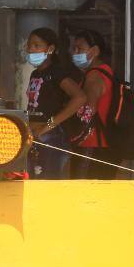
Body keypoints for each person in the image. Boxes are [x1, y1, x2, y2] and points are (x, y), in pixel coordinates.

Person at [25, 28, 87, 179]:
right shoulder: (35, 73)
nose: (31, 49)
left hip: (52, 138)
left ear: (50, 49)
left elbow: (80, 97)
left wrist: (50, 125)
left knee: (49, 186)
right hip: (34, 136)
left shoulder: (57, 73)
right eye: (29, 45)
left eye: (36, 45)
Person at [69, 28, 119, 179]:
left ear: (95, 50)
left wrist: (72, 135)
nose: (74, 53)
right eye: (74, 49)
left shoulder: (94, 75)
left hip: (92, 146)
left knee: (84, 195)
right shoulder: (106, 71)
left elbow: (88, 111)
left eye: (79, 49)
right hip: (104, 145)